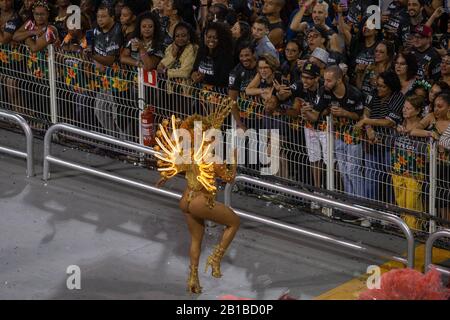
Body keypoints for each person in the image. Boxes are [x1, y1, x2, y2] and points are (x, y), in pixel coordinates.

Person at [154, 99, 240, 294]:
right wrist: (233, 161)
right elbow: (229, 178)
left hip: (185, 200)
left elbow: (173, 168)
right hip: (201, 201)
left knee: (196, 240)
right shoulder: (211, 157)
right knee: (234, 222)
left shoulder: (187, 152)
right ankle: (216, 258)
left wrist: (164, 178)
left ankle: (193, 278)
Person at [356, 71, 405, 204]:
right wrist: (369, 129)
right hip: (372, 143)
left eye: (382, 86)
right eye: (378, 85)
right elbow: (366, 111)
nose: (379, 89)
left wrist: (367, 122)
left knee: (390, 180)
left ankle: (390, 212)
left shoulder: (398, 97)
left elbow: (389, 122)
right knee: (371, 177)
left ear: (391, 87)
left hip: (390, 144)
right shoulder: (373, 92)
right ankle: (371, 212)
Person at [317, 65, 365, 198]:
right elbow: (321, 109)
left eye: (328, 80)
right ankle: (350, 204)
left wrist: (345, 113)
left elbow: (359, 115)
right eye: (324, 80)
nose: (325, 83)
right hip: (338, 134)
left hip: (354, 136)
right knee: (343, 170)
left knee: (353, 171)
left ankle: (362, 207)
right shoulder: (325, 91)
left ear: (339, 80)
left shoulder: (354, 93)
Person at [410, 93, 450, 222]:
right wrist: (430, 133)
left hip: (447, 167)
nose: (436, 109)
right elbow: (414, 131)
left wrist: (443, 144)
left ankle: (445, 229)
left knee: (444, 199)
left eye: (440, 106)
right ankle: (430, 226)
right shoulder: (431, 118)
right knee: (430, 195)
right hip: (431, 165)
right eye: (434, 106)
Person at [391, 94, 426, 229]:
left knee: (412, 202)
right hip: (398, 167)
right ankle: (404, 226)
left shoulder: (422, 126)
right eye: (404, 107)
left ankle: (414, 229)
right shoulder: (400, 123)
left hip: (414, 170)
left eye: (409, 108)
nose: (404, 110)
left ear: (417, 111)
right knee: (401, 200)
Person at [191, 22, 234, 88]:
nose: (211, 40)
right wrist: (193, 74)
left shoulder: (226, 56)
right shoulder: (201, 50)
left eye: (215, 38)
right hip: (198, 92)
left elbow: (223, 79)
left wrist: (204, 77)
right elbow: (195, 68)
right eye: (209, 37)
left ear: (220, 39)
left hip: (216, 94)